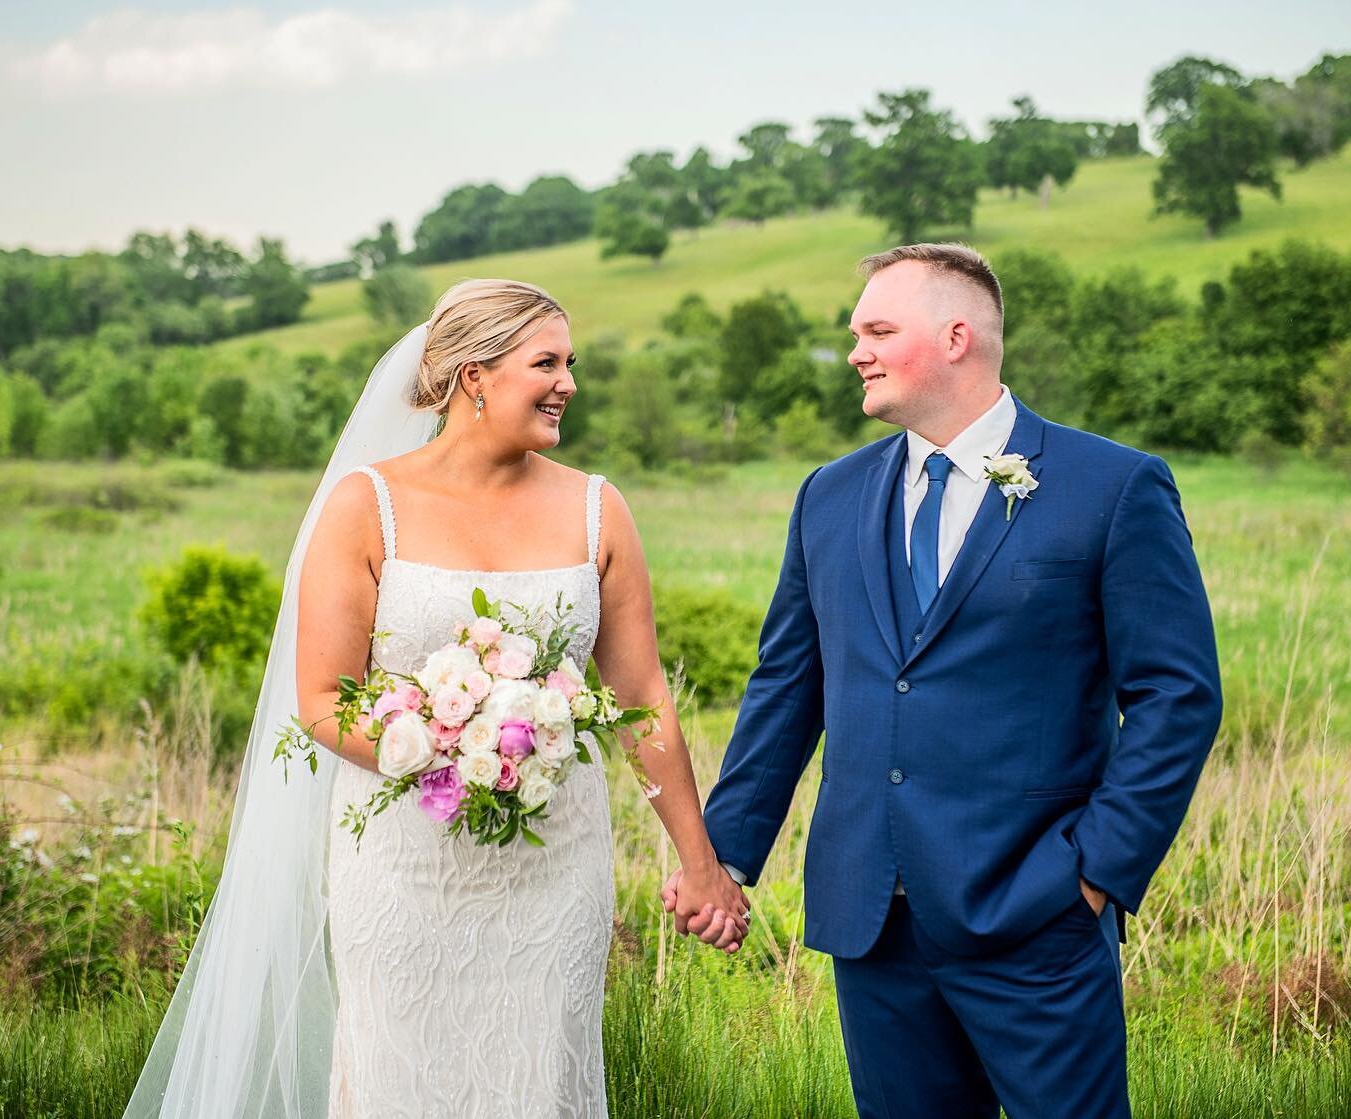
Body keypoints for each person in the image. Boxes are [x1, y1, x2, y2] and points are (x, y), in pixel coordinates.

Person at [124, 279, 746, 1119]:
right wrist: (445, 743)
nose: (568, 382)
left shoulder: (599, 509)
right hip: (404, 862)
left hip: (554, 865)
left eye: (571, 362)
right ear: (473, 375)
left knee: (542, 1076)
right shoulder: (365, 505)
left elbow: (641, 698)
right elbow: (321, 696)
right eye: (546, 362)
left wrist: (700, 864)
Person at [667, 244, 1223, 1118]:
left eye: (877, 329)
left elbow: (1178, 696)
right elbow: (787, 685)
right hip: (871, 922)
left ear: (956, 336)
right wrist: (726, 853)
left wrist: (1095, 872)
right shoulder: (829, 494)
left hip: (1035, 911)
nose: (856, 350)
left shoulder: (1112, 486)